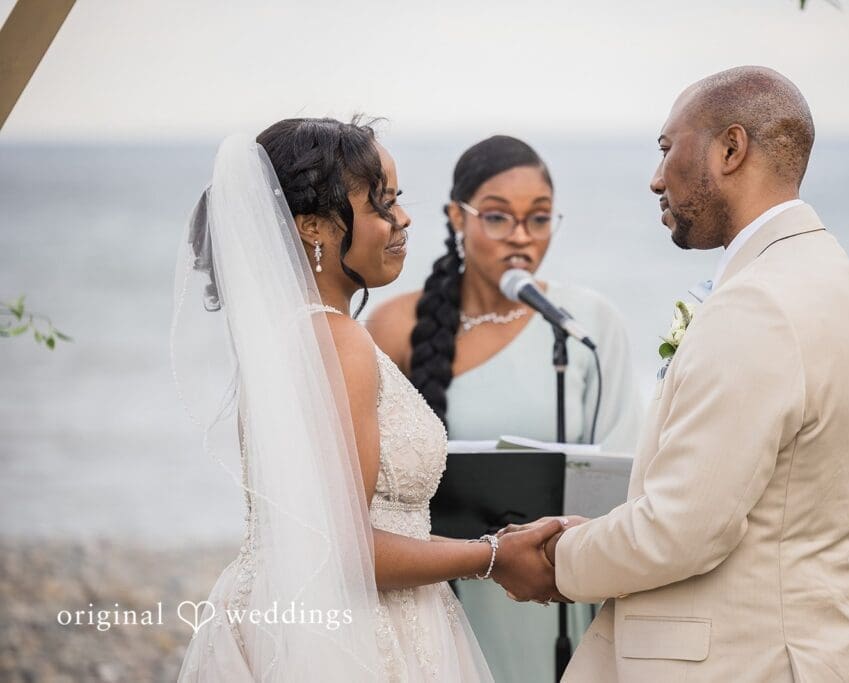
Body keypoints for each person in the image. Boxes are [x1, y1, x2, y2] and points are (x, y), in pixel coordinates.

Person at [496, 66, 849, 682]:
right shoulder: (829, 274)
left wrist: (556, 560)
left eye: (666, 149)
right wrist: (603, 530)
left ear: (730, 149)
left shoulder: (758, 303)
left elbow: (682, 530)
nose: (656, 178)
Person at [173, 118, 564, 682]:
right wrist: (493, 555)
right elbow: (345, 549)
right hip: (354, 633)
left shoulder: (296, 337)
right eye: (381, 205)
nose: (402, 218)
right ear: (313, 228)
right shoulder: (337, 340)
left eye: (396, 200)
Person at [368, 135, 642, 682]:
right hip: (447, 588)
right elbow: (375, 481)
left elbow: (624, 461)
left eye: (538, 220)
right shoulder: (394, 325)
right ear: (456, 217)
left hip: (564, 587)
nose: (521, 237)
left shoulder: (585, 323)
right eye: (498, 218)